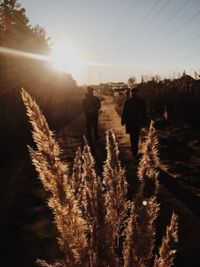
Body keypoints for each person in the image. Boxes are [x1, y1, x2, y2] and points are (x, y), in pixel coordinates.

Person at [121, 88, 146, 157]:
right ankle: (135, 150)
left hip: (130, 122)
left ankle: (134, 150)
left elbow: (124, 112)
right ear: (137, 93)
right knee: (136, 135)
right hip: (137, 122)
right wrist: (144, 122)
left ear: (131, 93)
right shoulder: (141, 101)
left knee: (132, 136)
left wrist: (123, 120)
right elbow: (144, 113)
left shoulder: (128, 101)